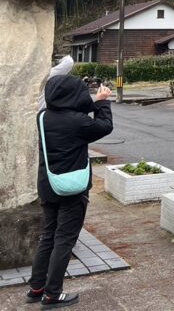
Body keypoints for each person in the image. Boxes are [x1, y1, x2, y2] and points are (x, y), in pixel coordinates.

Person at [27, 75, 113, 307]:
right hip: (72, 189)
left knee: (48, 236)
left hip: (48, 185)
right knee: (64, 239)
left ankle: (36, 287)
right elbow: (104, 126)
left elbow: (73, 113)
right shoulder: (78, 122)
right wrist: (102, 102)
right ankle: (52, 294)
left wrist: (94, 102)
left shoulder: (43, 117)